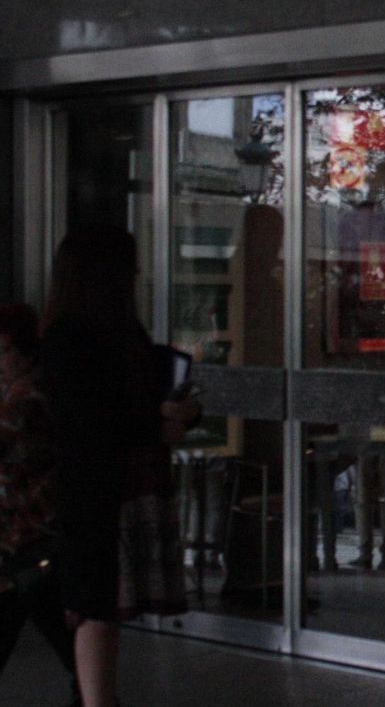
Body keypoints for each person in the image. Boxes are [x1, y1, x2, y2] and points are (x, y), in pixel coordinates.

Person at [40, 226, 199, 707]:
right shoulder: (71, 340)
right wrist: (157, 424)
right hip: (93, 491)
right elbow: (89, 423)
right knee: (96, 606)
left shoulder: (115, 333)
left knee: (101, 606)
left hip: (114, 488)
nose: (138, 276)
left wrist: (178, 413)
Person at [0, 302, 77, 703]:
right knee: (60, 629)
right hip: (38, 534)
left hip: (24, 535)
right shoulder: (46, 385)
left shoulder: (23, 396)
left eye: (2, 351)